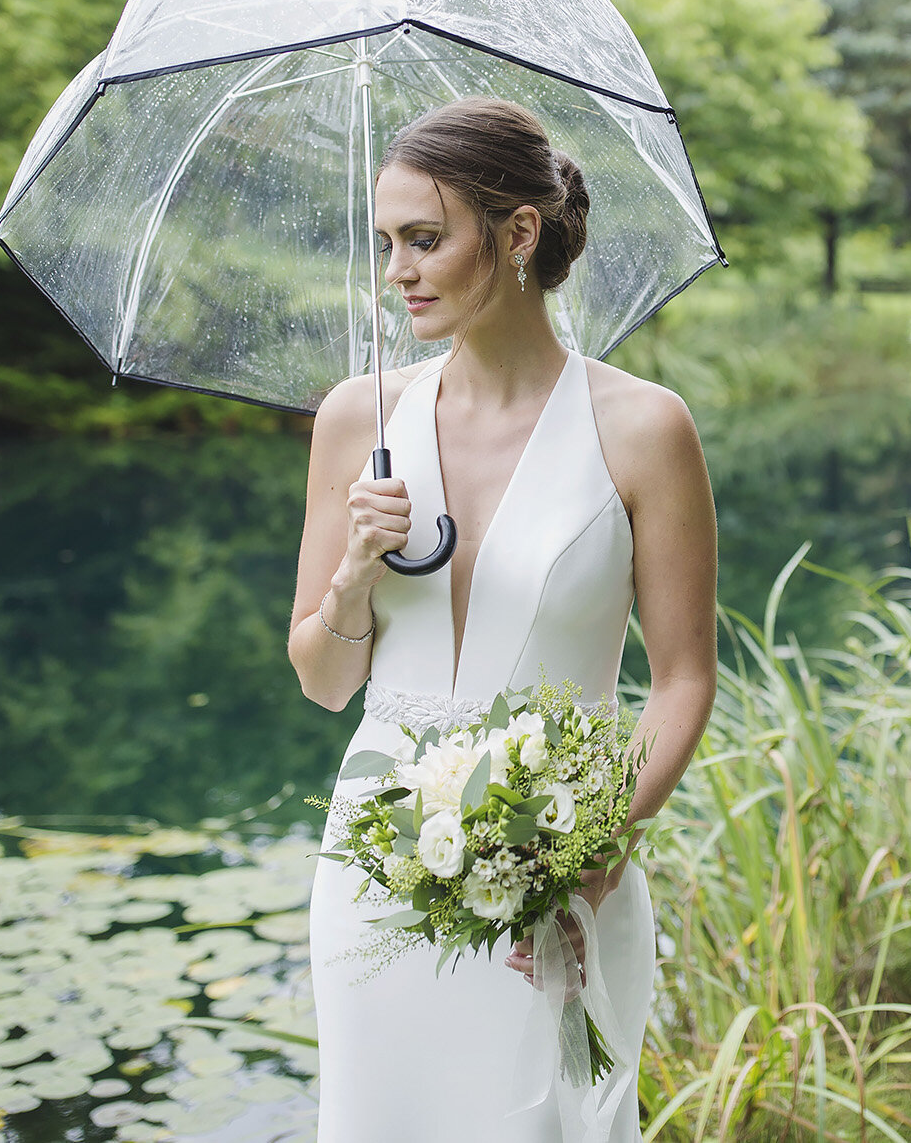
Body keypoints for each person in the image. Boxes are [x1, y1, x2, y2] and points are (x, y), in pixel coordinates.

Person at [286, 96, 718, 1142]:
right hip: (378, 866)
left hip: (561, 860)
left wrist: (597, 851)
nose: (397, 271)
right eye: (386, 244)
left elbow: (681, 680)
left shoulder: (643, 428)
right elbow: (321, 678)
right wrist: (352, 573)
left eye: (425, 240)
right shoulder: (358, 419)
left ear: (517, 233)